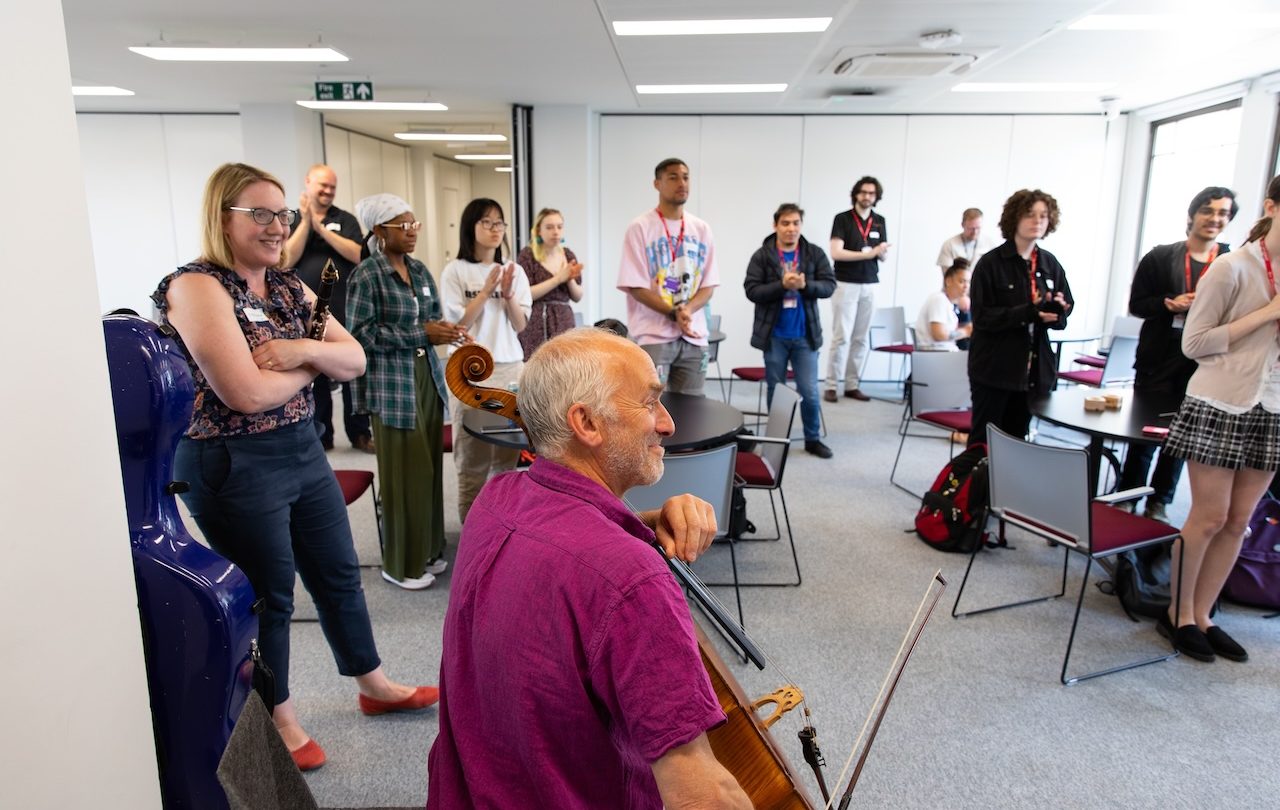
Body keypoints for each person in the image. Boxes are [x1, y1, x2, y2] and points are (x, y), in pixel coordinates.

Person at [153, 163, 437, 772]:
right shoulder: (197, 287)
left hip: (301, 448)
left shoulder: (285, 286)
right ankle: (277, 716)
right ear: (221, 218)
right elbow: (245, 394)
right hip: (232, 459)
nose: (276, 226)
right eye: (258, 214)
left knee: (337, 572)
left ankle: (373, 683)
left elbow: (353, 357)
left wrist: (301, 351)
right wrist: (316, 367)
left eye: (281, 214)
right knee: (271, 596)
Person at [427, 327, 751, 809]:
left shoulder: (496, 499)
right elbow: (700, 792)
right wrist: (630, 550)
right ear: (586, 423)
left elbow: (559, 536)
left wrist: (643, 520)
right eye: (649, 403)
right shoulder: (631, 580)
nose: (667, 424)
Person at [1159, 175, 1280, 664]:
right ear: (1272, 206)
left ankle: (1205, 616)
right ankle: (1178, 614)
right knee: (1208, 517)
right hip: (1220, 403)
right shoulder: (1234, 267)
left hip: (1272, 408)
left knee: (1239, 521)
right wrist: (1267, 314)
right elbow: (1195, 343)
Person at [347, 194, 470, 589]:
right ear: (380, 231)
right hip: (392, 383)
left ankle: (428, 550)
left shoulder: (418, 270)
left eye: (415, 225)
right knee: (402, 476)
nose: (412, 232)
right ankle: (400, 563)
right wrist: (422, 333)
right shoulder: (367, 275)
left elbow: (431, 316)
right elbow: (359, 336)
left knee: (429, 470)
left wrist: (444, 330)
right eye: (403, 226)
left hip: (426, 376)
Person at [1118, 187, 1238, 523]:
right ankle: (1128, 493)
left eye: (1223, 213)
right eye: (1208, 210)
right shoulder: (1160, 256)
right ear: (1192, 214)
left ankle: (1160, 501)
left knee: (1182, 437)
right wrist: (1166, 304)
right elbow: (1137, 305)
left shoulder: (1232, 261)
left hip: (1205, 362)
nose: (1215, 218)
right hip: (1158, 356)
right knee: (1143, 434)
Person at [441, 198, 532, 523]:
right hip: (468, 372)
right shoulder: (456, 270)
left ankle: (500, 527)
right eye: (487, 222)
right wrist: (485, 291)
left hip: (509, 368)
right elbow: (458, 325)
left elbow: (521, 325)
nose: (495, 230)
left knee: (506, 457)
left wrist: (507, 294)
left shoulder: (515, 271)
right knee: (471, 460)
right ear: (471, 227)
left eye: (499, 223)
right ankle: (472, 533)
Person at [967, 189, 1073, 447]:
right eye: (1029, 215)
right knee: (984, 442)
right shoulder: (991, 264)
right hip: (995, 369)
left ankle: (1007, 489)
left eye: (1043, 216)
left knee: (1017, 442)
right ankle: (975, 489)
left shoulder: (1050, 264)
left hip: (1033, 372)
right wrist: (1029, 311)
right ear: (1014, 218)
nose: (1037, 221)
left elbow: (1066, 310)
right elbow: (982, 317)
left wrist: (1057, 311)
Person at [284, 164, 374, 453]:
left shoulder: (344, 219)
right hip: (306, 311)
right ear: (308, 182)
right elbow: (286, 258)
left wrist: (321, 227)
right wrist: (307, 222)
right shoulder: (292, 219)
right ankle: (322, 435)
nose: (327, 191)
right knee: (316, 370)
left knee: (351, 371)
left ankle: (359, 432)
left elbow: (358, 254)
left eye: (332, 187)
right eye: (322, 185)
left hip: (343, 306)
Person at [617, 157, 719, 396]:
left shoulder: (701, 229)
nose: (681, 183)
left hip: (694, 336)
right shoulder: (640, 227)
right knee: (650, 409)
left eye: (685, 177)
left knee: (693, 410)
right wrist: (673, 312)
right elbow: (636, 286)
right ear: (657, 183)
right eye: (673, 177)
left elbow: (708, 285)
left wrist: (687, 310)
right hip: (653, 335)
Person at [744, 203, 837, 458]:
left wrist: (806, 286)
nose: (791, 228)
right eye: (785, 223)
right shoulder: (762, 255)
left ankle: (812, 438)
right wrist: (781, 285)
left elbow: (829, 285)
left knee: (809, 390)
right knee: (777, 390)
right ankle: (776, 440)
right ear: (776, 225)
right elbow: (752, 290)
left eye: (796, 223)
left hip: (805, 336)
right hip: (774, 336)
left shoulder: (813, 253)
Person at [825, 176, 891, 403]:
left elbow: (881, 257)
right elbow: (836, 252)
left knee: (861, 338)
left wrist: (881, 252)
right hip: (845, 282)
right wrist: (868, 254)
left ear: (876, 196)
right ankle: (831, 385)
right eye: (863, 192)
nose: (867, 197)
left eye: (871, 193)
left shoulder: (880, 221)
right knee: (841, 336)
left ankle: (852, 384)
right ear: (856, 194)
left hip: (870, 283)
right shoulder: (842, 219)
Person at [516, 207, 584, 360]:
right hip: (536, 321)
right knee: (536, 365)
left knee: (566, 364)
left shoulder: (568, 254)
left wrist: (569, 278)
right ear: (539, 230)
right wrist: (558, 279)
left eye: (559, 227)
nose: (556, 231)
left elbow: (578, 296)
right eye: (550, 227)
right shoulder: (527, 255)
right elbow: (525, 293)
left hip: (564, 319)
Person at [915, 261, 972, 351]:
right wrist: (966, 331)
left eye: (968, 282)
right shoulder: (939, 300)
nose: (966, 286)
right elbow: (939, 335)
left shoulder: (948, 303)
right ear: (948, 281)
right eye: (962, 281)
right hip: (937, 354)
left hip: (944, 352)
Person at [936, 207, 997, 272]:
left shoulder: (989, 243)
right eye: (971, 228)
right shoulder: (949, 245)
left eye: (978, 228)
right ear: (962, 225)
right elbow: (948, 276)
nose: (975, 232)